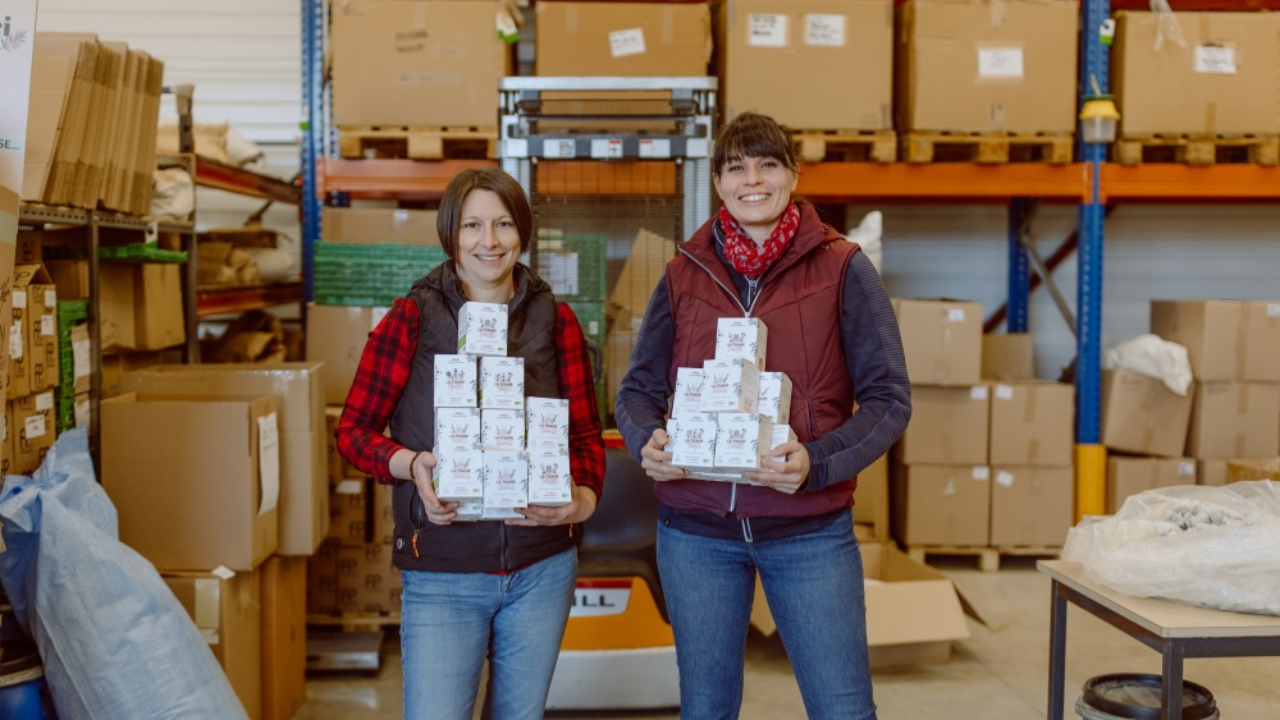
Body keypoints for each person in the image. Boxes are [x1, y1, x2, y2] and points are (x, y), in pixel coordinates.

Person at [614, 112, 911, 720]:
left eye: (768, 164)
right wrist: (648, 439)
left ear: (793, 175)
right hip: (696, 534)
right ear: (719, 183)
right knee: (706, 710)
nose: (753, 179)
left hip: (808, 531)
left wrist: (818, 461)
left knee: (843, 709)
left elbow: (889, 399)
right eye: (736, 167)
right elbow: (637, 390)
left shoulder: (843, 267)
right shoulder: (682, 273)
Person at [336, 167, 606, 720]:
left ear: (522, 232)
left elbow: (584, 437)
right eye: (473, 225)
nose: (490, 241)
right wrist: (412, 464)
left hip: (541, 570)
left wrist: (584, 501)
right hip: (442, 573)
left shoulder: (557, 321)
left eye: (504, 224)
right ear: (450, 234)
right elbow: (353, 432)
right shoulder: (411, 317)